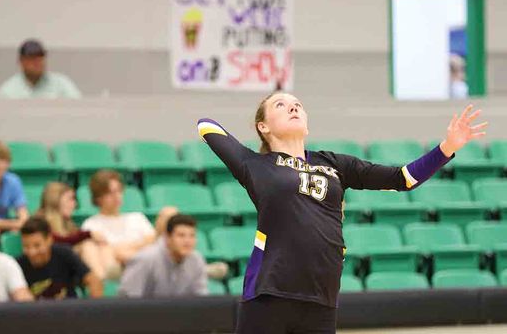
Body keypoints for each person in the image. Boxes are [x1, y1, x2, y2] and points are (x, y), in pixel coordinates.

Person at [197, 93, 488, 334]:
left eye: (297, 104)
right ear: (263, 126)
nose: (293, 106)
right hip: (271, 292)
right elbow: (206, 125)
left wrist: (447, 147)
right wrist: (245, 152)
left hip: (322, 296)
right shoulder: (255, 165)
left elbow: (402, 179)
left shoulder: (334, 163)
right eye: (280, 105)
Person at [81, 170, 175, 279]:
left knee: (169, 212)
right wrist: (139, 245)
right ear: (98, 197)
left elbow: (152, 241)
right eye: (110, 193)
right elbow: (103, 253)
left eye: (119, 191)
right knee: (93, 248)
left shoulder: (137, 217)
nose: (117, 196)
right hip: (119, 270)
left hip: (146, 263)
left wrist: (120, 250)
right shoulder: (91, 224)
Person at [118, 214, 207, 298]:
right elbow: (127, 297)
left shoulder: (197, 260)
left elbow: (200, 298)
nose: (187, 241)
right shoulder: (146, 259)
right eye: (181, 235)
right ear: (167, 238)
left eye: (192, 236)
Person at [17, 216, 103, 300]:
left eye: (37, 245)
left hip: (69, 311)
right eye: (26, 246)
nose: (32, 252)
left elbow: (93, 281)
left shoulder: (64, 254)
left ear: (49, 240)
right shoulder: (17, 266)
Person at [37, 182, 110, 280]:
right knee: (88, 246)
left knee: (92, 245)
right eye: (70, 199)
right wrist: (88, 234)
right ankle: (103, 283)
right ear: (56, 200)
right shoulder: (39, 222)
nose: (74, 204)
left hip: (69, 270)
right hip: (50, 273)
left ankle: (105, 281)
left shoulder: (67, 223)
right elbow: (56, 242)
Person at [0, 39, 82, 99]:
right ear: (21, 61)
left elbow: (78, 108)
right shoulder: (8, 90)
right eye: (32, 58)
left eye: (40, 57)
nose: (37, 62)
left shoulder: (61, 84)